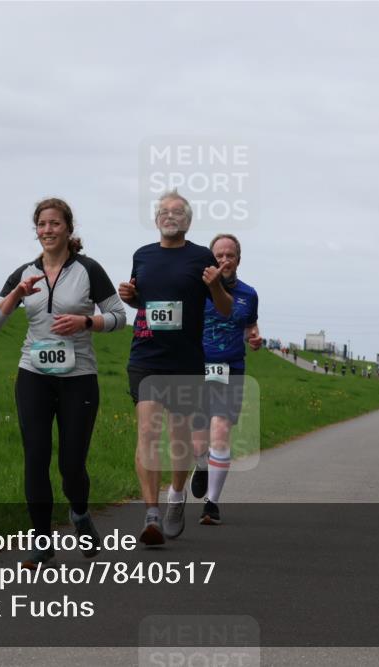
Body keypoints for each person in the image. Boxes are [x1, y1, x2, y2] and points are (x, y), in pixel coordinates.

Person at [0, 198, 126, 568]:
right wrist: (16, 294)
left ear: (68, 228)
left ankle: (79, 513)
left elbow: (118, 315)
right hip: (33, 375)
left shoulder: (88, 269)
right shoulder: (24, 273)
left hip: (79, 378)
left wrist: (87, 323)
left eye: (55, 224)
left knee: (71, 464)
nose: (48, 230)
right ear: (36, 229)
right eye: (42, 224)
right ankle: (41, 540)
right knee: (35, 457)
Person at [118, 190, 233, 546]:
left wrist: (215, 286)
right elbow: (144, 298)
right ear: (156, 219)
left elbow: (226, 308)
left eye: (178, 212)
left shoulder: (201, 257)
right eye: (164, 212)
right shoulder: (142, 255)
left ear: (188, 220)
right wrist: (130, 296)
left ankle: (177, 496)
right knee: (148, 433)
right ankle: (151, 514)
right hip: (146, 356)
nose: (171, 216)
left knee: (179, 438)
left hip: (184, 361)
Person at [188, 234, 261, 526]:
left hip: (231, 368)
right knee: (197, 442)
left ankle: (212, 504)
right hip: (197, 367)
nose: (224, 261)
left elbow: (249, 323)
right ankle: (201, 464)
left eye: (230, 255)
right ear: (210, 259)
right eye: (219, 255)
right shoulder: (197, 290)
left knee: (220, 430)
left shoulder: (249, 294)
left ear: (238, 260)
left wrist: (253, 336)